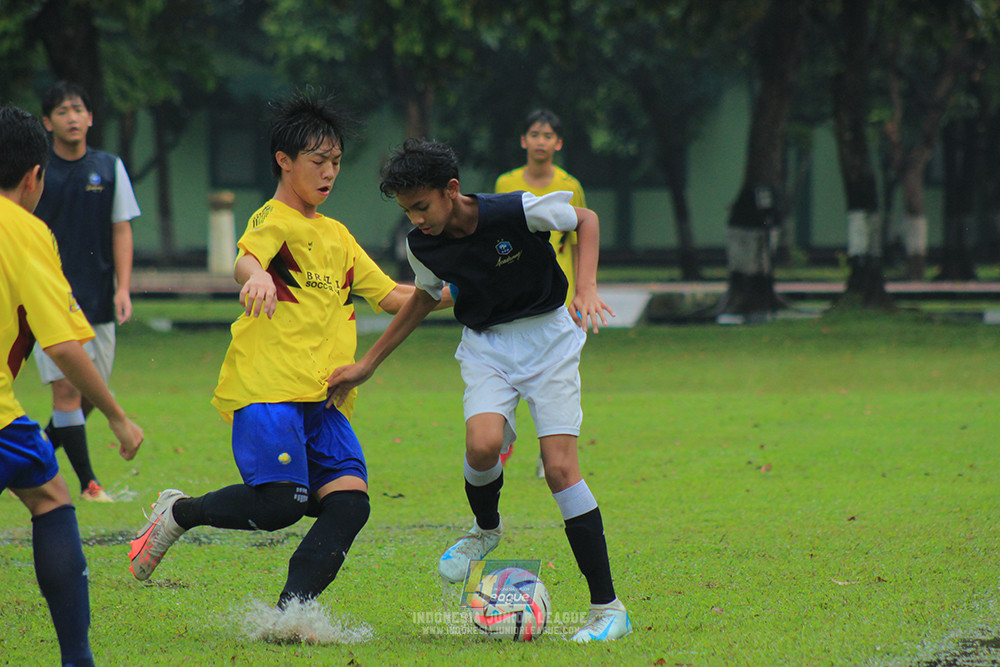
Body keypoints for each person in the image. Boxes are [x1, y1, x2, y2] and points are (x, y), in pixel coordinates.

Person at [127, 91, 445, 631]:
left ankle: (288, 615)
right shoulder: (273, 218)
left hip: (324, 399)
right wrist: (254, 279)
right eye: (318, 162)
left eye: (337, 162)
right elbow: (247, 259)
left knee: (350, 505)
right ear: (285, 161)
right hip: (268, 390)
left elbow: (395, 297)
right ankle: (178, 513)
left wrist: (475, 288)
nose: (329, 173)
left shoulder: (338, 235)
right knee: (283, 503)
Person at [327, 138, 631, 642]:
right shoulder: (421, 243)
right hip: (488, 346)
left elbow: (588, 220)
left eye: (422, 206)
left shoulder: (513, 211)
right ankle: (485, 530)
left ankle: (608, 609)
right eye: (407, 211)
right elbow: (424, 298)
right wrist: (367, 365)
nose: (417, 219)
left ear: (452, 190)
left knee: (559, 469)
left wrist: (587, 287)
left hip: (550, 338)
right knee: (483, 445)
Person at [0, 104, 144, 667]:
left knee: (43, 481)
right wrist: (116, 414)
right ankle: (77, 659)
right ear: (36, 174)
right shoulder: (25, 231)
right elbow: (63, 347)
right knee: (51, 497)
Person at [31, 81, 141, 503]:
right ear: (47, 122)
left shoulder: (110, 167)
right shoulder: (36, 171)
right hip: (51, 297)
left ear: (91, 117)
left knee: (92, 394)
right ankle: (89, 484)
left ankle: (25, 457)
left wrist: (124, 287)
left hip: (98, 298)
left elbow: (121, 229)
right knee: (68, 392)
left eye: (78, 109)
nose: (72, 117)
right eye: (61, 111)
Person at [494, 108, 586, 473]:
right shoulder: (505, 183)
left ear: (558, 143)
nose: (541, 141)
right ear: (523, 140)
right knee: (508, 367)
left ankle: (550, 453)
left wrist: (582, 292)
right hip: (515, 298)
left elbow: (578, 239)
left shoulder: (570, 185)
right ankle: (502, 436)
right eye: (535, 134)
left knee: (558, 379)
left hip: (559, 299)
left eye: (548, 136)